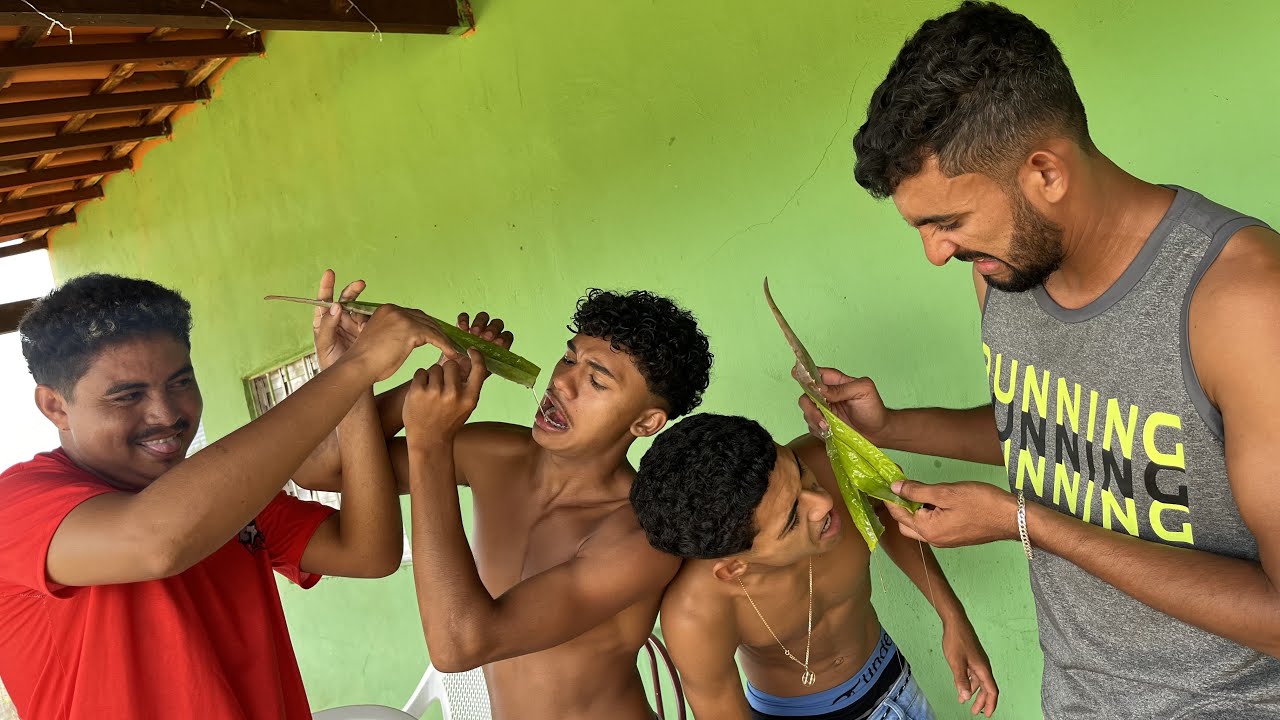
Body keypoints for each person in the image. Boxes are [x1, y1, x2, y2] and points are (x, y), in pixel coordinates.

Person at [802, 2, 1280, 716]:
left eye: (947, 221)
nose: (936, 252)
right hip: (1078, 698)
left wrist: (1026, 522)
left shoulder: (1242, 303)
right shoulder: (1004, 270)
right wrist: (891, 425)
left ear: (1045, 172)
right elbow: (1050, 435)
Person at [0, 271, 452, 719]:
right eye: (128, 396)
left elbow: (367, 552)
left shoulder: (216, 495)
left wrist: (351, 384)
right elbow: (157, 542)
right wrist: (358, 367)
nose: (165, 414)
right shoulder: (18, 503)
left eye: (180, 383)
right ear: (55, 406)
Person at [293, 282, 715, 720]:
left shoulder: (640, 535)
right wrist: (355, 372)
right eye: (569, 357)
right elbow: (322, 469)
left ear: (646, 422)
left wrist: (430, 443)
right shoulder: (499, 455)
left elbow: (459, 644)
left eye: (596, 380)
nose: (562, 382)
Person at [630, 413, 998, 719]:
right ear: (734, 568)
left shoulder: (829, 461)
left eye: (802, 473)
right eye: (793, 519)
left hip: (896, 684)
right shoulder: (697, 615)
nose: (822, 503)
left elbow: (889, 513)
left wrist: (952, 617)